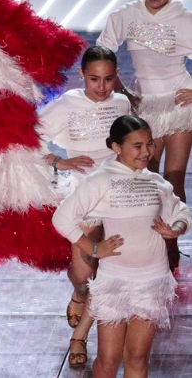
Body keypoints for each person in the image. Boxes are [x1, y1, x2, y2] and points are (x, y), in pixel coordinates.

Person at [52, 115, 189, 378]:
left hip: (153, 281)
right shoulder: (101, 180)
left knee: (138, 357)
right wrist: (93, 249)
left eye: (149, 144)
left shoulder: (156, 182)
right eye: (137, 146)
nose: (147, 152)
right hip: (114, 281)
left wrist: (176, 229)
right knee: (109, 359)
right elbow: (62, 218)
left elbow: (181, 212)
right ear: (117, 147)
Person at [97, 0, 192, 271]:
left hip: (179, 106)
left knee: (174, 179)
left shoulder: (184, 20)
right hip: (143, 107)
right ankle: (149, 246)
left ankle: (171, 247)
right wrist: (123, 92)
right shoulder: (127, 15)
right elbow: (102, 53)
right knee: (146, 181)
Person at [37, 46, 131, 367]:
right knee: (84, 273)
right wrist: (58, 159)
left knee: (109, 271)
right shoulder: (66, 105)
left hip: (119, 190)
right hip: (81, 191)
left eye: (108, 79)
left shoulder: (121, 102)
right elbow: (26, 136)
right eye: (94, 79)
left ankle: (79, 336)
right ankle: (79, 294)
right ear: (81, 75)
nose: (102, 87)